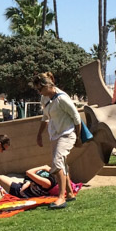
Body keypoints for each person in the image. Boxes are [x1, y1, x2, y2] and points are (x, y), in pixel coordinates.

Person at [34, 72, 81, 209]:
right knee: (62, 164)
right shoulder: (45, 98)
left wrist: (78, 138)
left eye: (40, 89)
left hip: (67, 134)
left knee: (57, 163)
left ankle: (61, 197)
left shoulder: (62, 99)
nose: (39, 92)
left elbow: (76, 118)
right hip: (55, 135)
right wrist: (39, 134)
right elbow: (45, 117)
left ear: (48, 85)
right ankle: (70, 194)